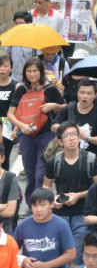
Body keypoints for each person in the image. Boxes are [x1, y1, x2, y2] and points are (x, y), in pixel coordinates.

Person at [7, 57, 63, 200]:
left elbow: (65, 107)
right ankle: (31, 203)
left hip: (46, 136)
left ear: (41, 72)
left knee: (41, 173)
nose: (32, 74)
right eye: (29, 71)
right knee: (30, 173)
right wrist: (21, 126)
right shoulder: (22, 89)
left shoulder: (50, 89)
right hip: (26, 136)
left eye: (35, 71)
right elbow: (10, 114)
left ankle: (40, 202)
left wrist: (54, 106)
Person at [53, 78, 97, 160]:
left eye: (89, 93)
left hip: (90, 159)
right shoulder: (69, 108)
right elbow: (53, 126)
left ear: (95, 95)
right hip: (68, 157)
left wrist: (87, 137)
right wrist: (71, 129)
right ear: (77, 93)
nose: (85, 96)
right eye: (82, 92)